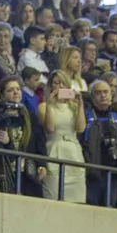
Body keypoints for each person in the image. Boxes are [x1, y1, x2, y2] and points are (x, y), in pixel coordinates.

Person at [41, 47, 86, 204]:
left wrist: (80, 105)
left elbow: (81, 128)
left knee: (77, 200)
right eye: (55, 83)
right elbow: (50, 128)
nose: (59, 87)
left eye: (62, 84)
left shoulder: (73, 107)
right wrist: (50, 105)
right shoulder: (46, 106)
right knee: (53, 197)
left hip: (73, 151)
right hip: (55, 150)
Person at [81, 79, 117, 208]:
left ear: (111, 95)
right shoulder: (85, 115)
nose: (103, 95)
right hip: (92, 174)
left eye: (106, 92)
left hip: (114, 174)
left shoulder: (116, 118)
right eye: (98, 92)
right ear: (92, 96)